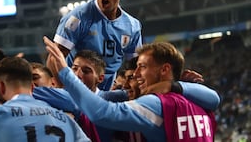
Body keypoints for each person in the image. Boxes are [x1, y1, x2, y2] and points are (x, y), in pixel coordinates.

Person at [44, 36, 219, 142]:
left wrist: (65, 73)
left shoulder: (156, 104)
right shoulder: (200, 103)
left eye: (142, 66)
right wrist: (176, 86)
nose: (136, 73)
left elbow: (101, 113)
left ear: (165, 69)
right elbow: (215, 99)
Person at [51, 0, 142, 91]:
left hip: (106, 93)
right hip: (77, 88)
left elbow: (135, 66)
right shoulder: (78, 17)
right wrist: (64, 90)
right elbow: (54, 57)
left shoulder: (132, 26)